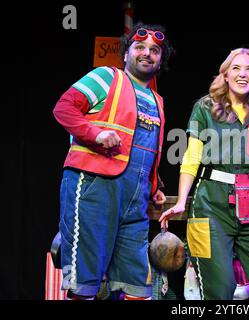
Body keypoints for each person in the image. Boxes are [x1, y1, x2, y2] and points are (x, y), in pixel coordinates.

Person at [159, 48, 249, 300]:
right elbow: (192, 157)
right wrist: (182, 200)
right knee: (220, 288)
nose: (242, 74)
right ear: (225, 75)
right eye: (236, 68)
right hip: (210, 206)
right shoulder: (205, 107)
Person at [52, 22, 173, 300]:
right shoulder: (106, 77)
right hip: (96, 188)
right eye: (139, 47)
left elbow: (147, 149)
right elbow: (64, 108)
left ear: (160, 59)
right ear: (126, 52)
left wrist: (153, 186)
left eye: (155, 50)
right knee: (85, 280)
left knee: (135, 284)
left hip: (136, 201)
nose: (147, 54)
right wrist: (96, 133)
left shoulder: (158, 100)